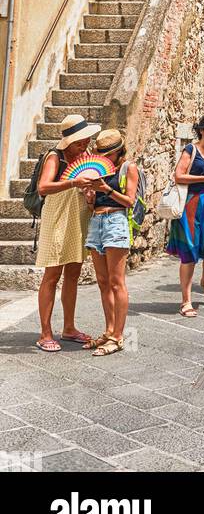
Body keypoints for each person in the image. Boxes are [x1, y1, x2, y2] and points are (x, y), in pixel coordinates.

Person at [33, 113, 102, 353]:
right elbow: (44, 187)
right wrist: (73, 183)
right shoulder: (55, 156)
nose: (84, 145)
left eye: (86, 140)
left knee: (73, 273)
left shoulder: (84, 156)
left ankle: (69, 328)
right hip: (57, 218)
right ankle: (45, 333)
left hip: (78, 216)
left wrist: (90, 194)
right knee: (52, 275)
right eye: (79, 141)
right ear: (68, 142)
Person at [83, 129, 139, 357]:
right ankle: (108, 331)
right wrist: (90, 198)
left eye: (106, 154)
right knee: (103, 281)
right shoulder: (97, 169)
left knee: (117, 282)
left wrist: (106, 189)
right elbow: (92, 204)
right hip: (96, 221)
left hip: (116, 221)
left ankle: (118, 336)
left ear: (117, 152)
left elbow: (130, 201)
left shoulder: (129, 168)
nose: (102, 157)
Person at [167, 114, 204, 318]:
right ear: (201, 130)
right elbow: (178, 175)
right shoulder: (191, 150)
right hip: (191, 203)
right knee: (189, 252)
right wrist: (203, 177)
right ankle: (186, 300)